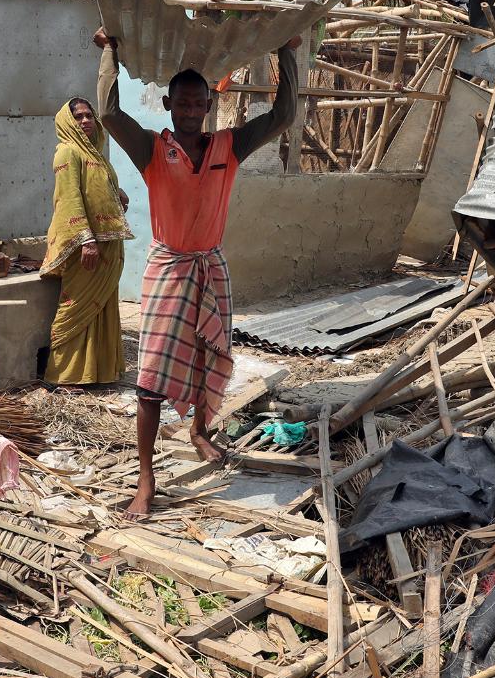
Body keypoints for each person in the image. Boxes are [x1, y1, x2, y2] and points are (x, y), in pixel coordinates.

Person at [93, 26, 303, 516]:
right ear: (168, 104)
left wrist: (285, 54)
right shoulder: (150, 149)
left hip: (211, 267)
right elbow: (108, 112)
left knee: (211, 358)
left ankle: (200, 430)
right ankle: (146, 481)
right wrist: (111, 53)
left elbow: (285, 114)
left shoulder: (230, 147)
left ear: (209, 104)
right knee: (149, 380)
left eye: (198, 104)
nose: (190, 112)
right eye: (182, 104)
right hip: (168, 269)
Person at [41, 97, 132, 386]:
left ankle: (98, 373)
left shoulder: (96, 154)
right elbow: (69, 199)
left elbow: (95, 188)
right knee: (77, 306)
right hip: (88, 246)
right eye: (78, 117)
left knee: (102, 308)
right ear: (67, 122)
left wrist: (117, 195)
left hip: (108, 244)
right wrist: (86, 241)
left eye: (89, 115)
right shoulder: (67, 152)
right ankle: (63, 376)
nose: (85, 121)